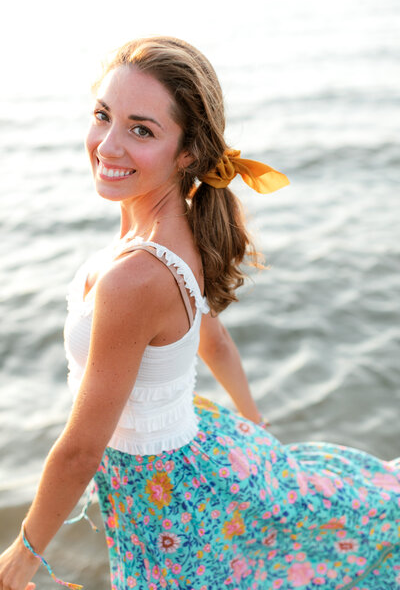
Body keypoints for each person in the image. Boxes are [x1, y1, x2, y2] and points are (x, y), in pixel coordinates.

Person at [0, 36, 399, 590]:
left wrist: (25, 553)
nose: (107, 145)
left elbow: (81, 450)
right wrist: (256, 427)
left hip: (166, 498)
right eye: (102, 115)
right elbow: (215, 341)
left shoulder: (136, 276)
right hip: (194, 450)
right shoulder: (173, 233)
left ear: (187, 153)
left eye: (141, 129)